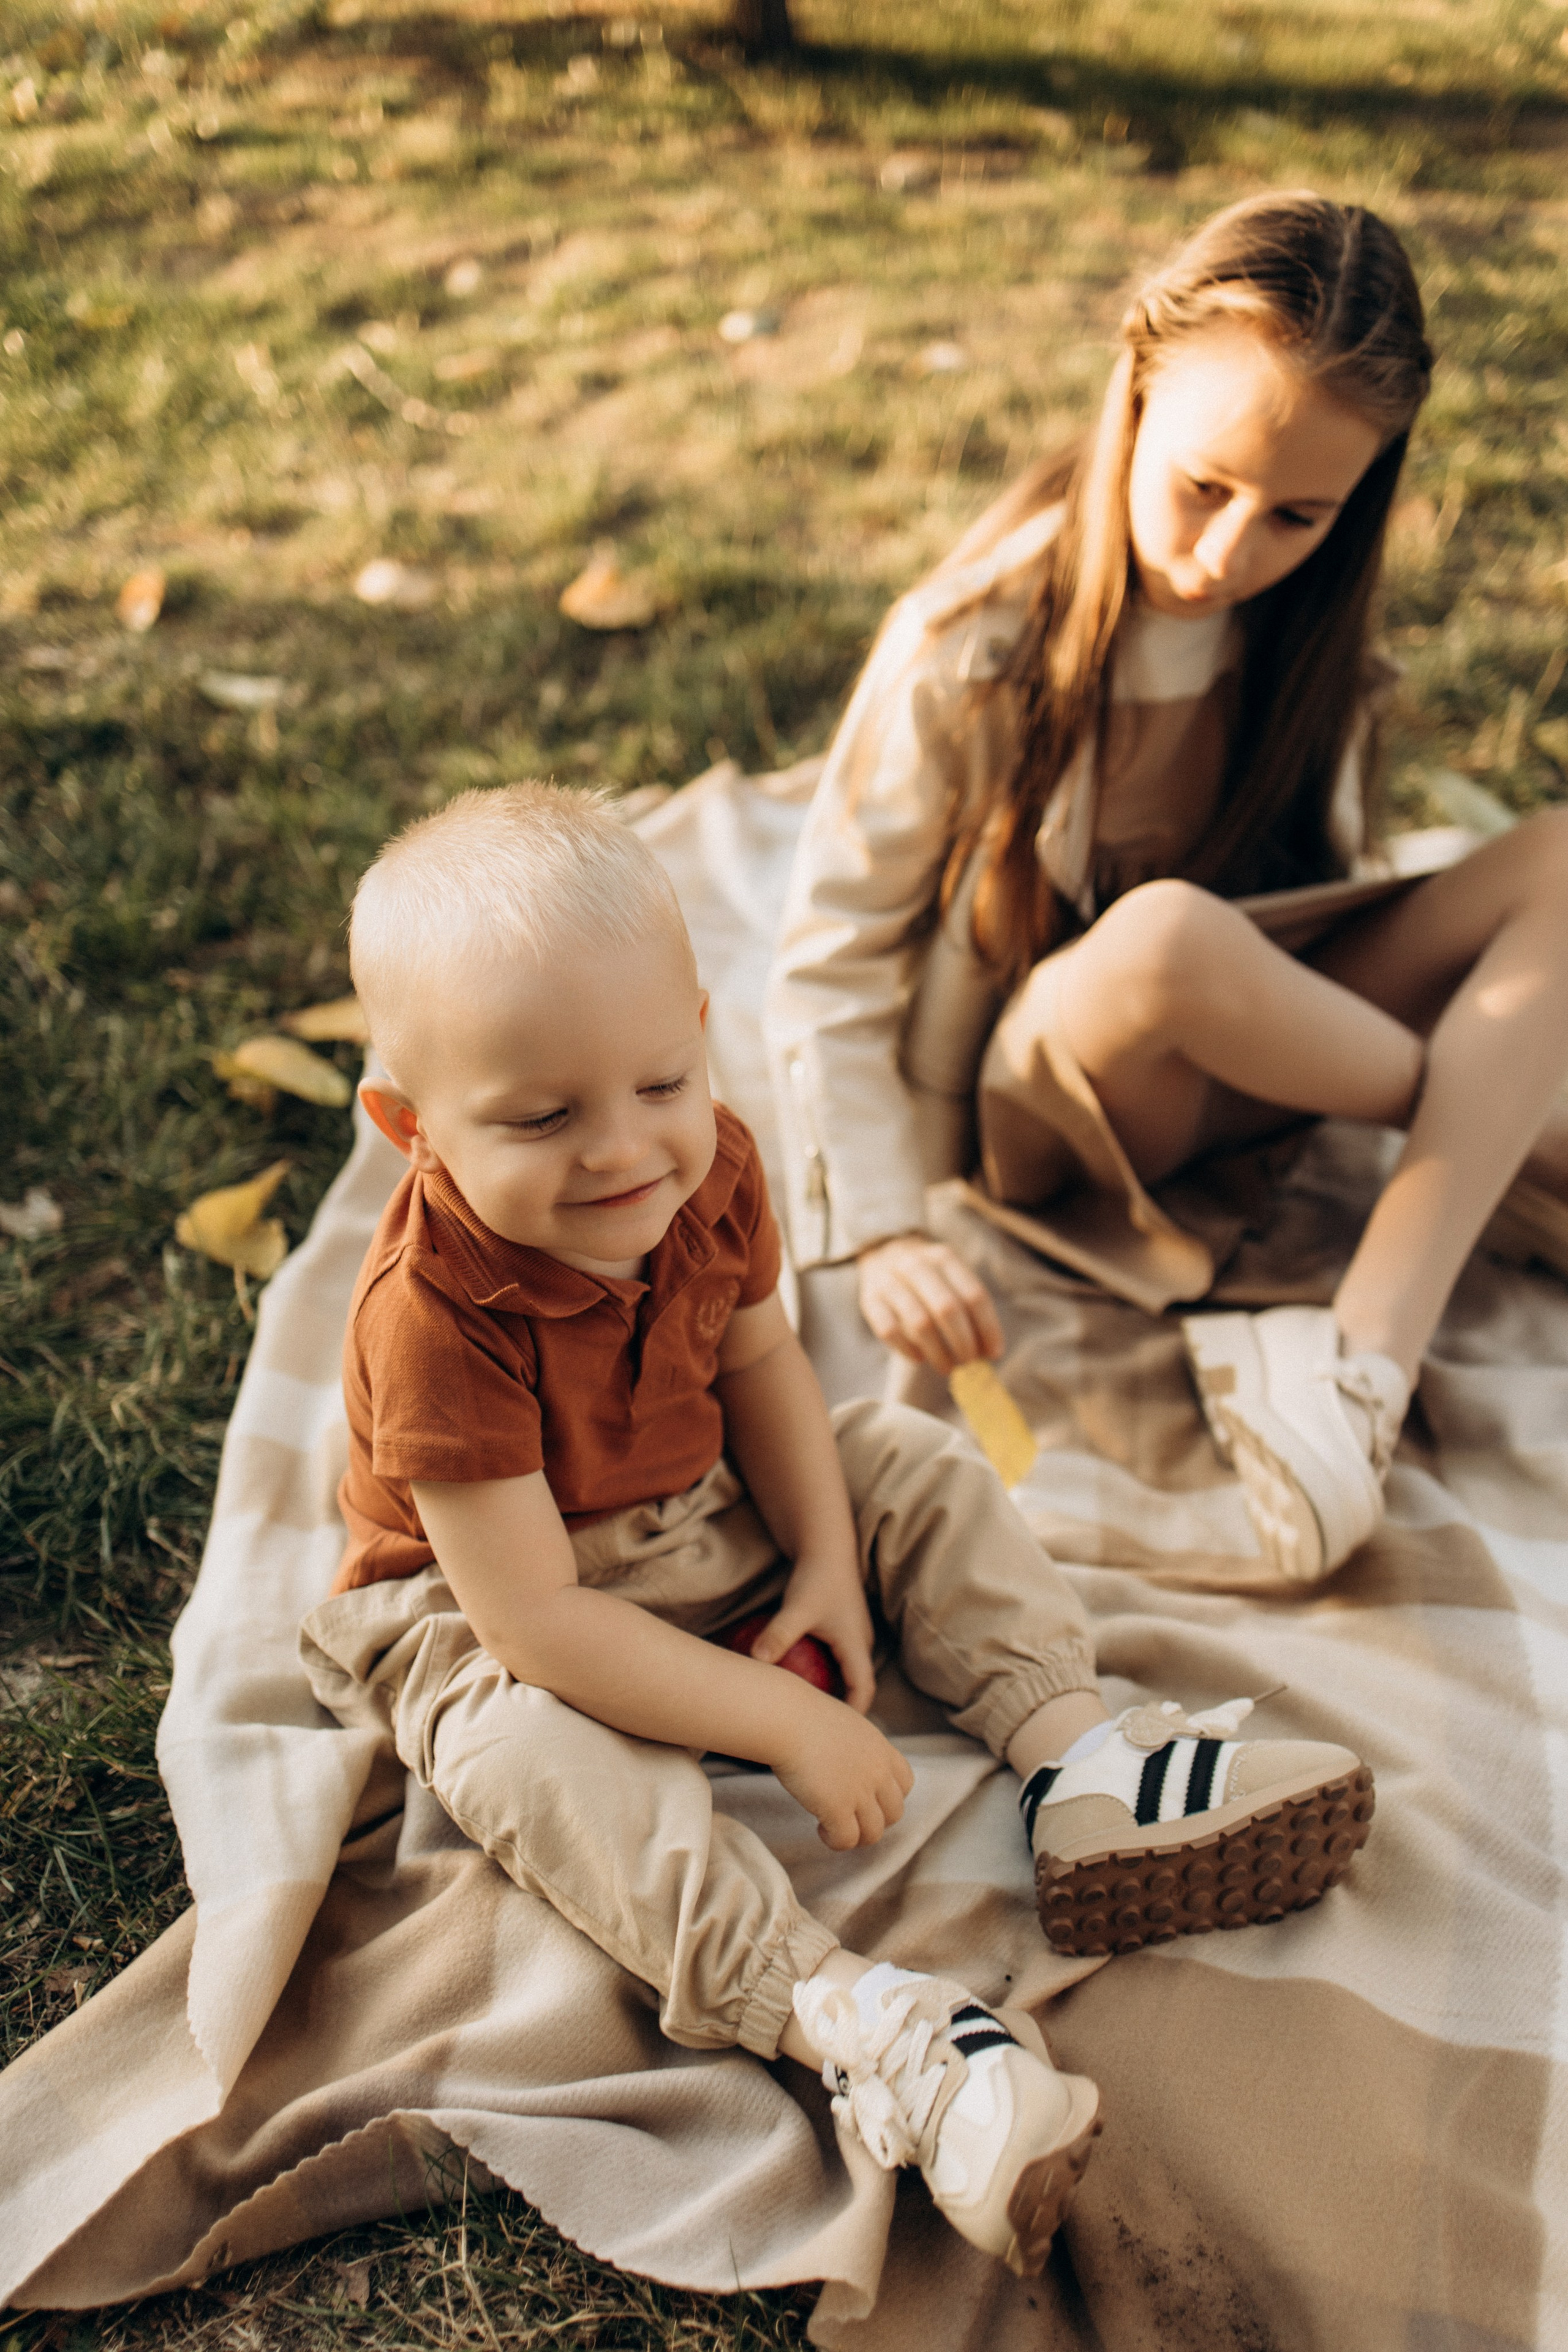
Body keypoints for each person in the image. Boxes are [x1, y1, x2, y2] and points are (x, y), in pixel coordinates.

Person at [297, 782, 1374, 2278]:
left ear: (699, 1033)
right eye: (542, 1118)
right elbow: (536, 1622)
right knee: (518, 1756)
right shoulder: (434, 1311)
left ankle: (1078, 1763)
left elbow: (761, 1366)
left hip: (697, 1510)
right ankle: (862, 2024)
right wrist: (780, 1722)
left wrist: (818, 1556)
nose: (621, 1153)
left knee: (902, 1455)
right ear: (411, 1127)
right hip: (487, 1603)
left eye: (661, 1082)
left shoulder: (713, 1164)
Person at [765, 190, 1568, 1586]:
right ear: (1134, 386)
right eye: (1204, 487)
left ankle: (1361, 1366)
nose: (1228, 554)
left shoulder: (1305, 636)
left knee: (1555, 851)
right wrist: (884, 1230)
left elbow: (1315, 899)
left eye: (1297, 516)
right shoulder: (966, 645)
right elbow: (830, 954)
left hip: (1266, 1040)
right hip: (1061, 1103)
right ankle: (1500, 1138)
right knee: (1167, 940)